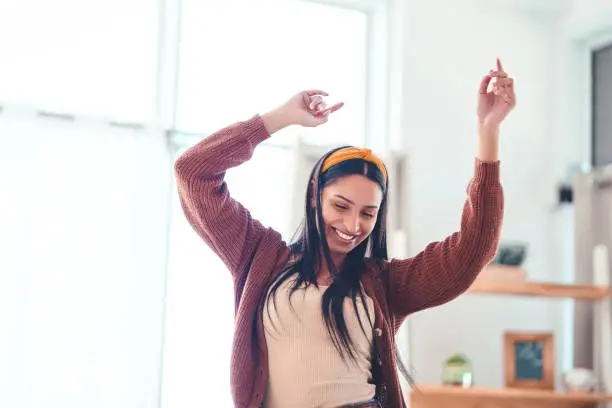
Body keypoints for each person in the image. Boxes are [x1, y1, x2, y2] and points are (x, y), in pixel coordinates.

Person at [174, 58, 515, 408]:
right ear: (314, 196)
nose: (353, 226)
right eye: (340, 206)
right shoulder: (259, 256)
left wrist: (488, 131)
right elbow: (193, 172)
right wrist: (280, 118)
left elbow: (474, 248)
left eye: (368, 213)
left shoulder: (385, 283)